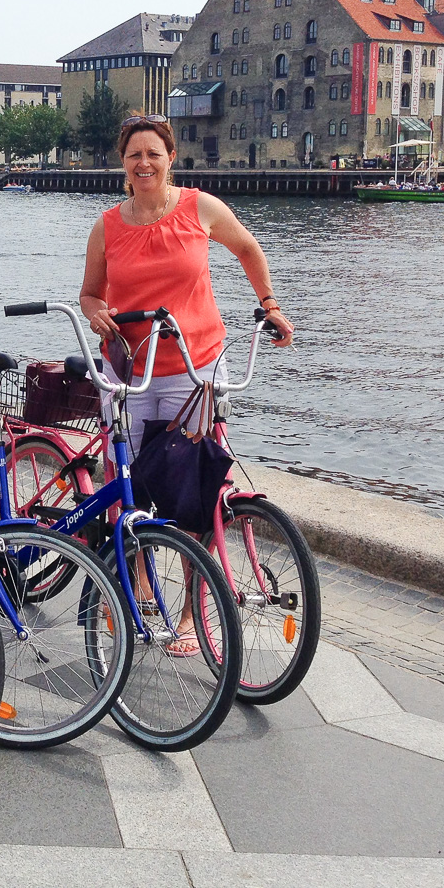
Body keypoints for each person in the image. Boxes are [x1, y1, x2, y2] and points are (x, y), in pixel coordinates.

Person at [79, 114, 294, 654]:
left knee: (192, 491)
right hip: (130, 369)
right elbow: (90, 294)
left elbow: (248, 250)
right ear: (122, 163)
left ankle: (193, 612)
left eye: (153, 153)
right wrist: (97, 313)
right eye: (134, 155)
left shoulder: (200, 208)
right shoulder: (107, 225)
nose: (144, 163)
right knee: (128, 484)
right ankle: (134, 590)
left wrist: (268, 305)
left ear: (170, 157)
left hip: (195, 367)